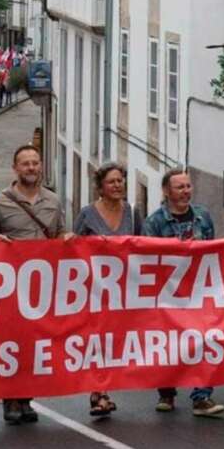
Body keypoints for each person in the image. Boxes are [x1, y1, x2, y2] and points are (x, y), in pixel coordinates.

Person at [0, 145, 73, 425]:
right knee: (12, 345)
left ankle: (26, 397)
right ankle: (10, 398)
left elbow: (57, 235)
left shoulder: (53, 202)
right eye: (25, 163)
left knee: (34, 345)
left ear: (40, 166)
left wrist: (66, 238)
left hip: (41, 288)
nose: (31, 168)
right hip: (9, 288)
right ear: (15, 168)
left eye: (35, 163)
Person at [143, 169, 224, 418]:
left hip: (200, 290)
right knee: (170, 343)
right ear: (167, 192)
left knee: (206, 339)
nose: (185, 191)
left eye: (188, 186)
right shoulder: (154, 222)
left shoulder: (203, 216)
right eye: (180, 187)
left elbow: (213, 248)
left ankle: (202, 397)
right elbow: (148, 258)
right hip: (168, 294)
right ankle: (167, 392)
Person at [73, 163, 143, 417]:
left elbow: (143, 246)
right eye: (112, 182)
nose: (117, 185)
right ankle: (98, 392)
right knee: (97, 341)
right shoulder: (87, 214)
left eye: (120, 181)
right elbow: (72, 249)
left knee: (116, 343)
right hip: (94, 291)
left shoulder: (133, 213)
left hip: (124, 292)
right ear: (100, 187)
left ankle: (105, 389)